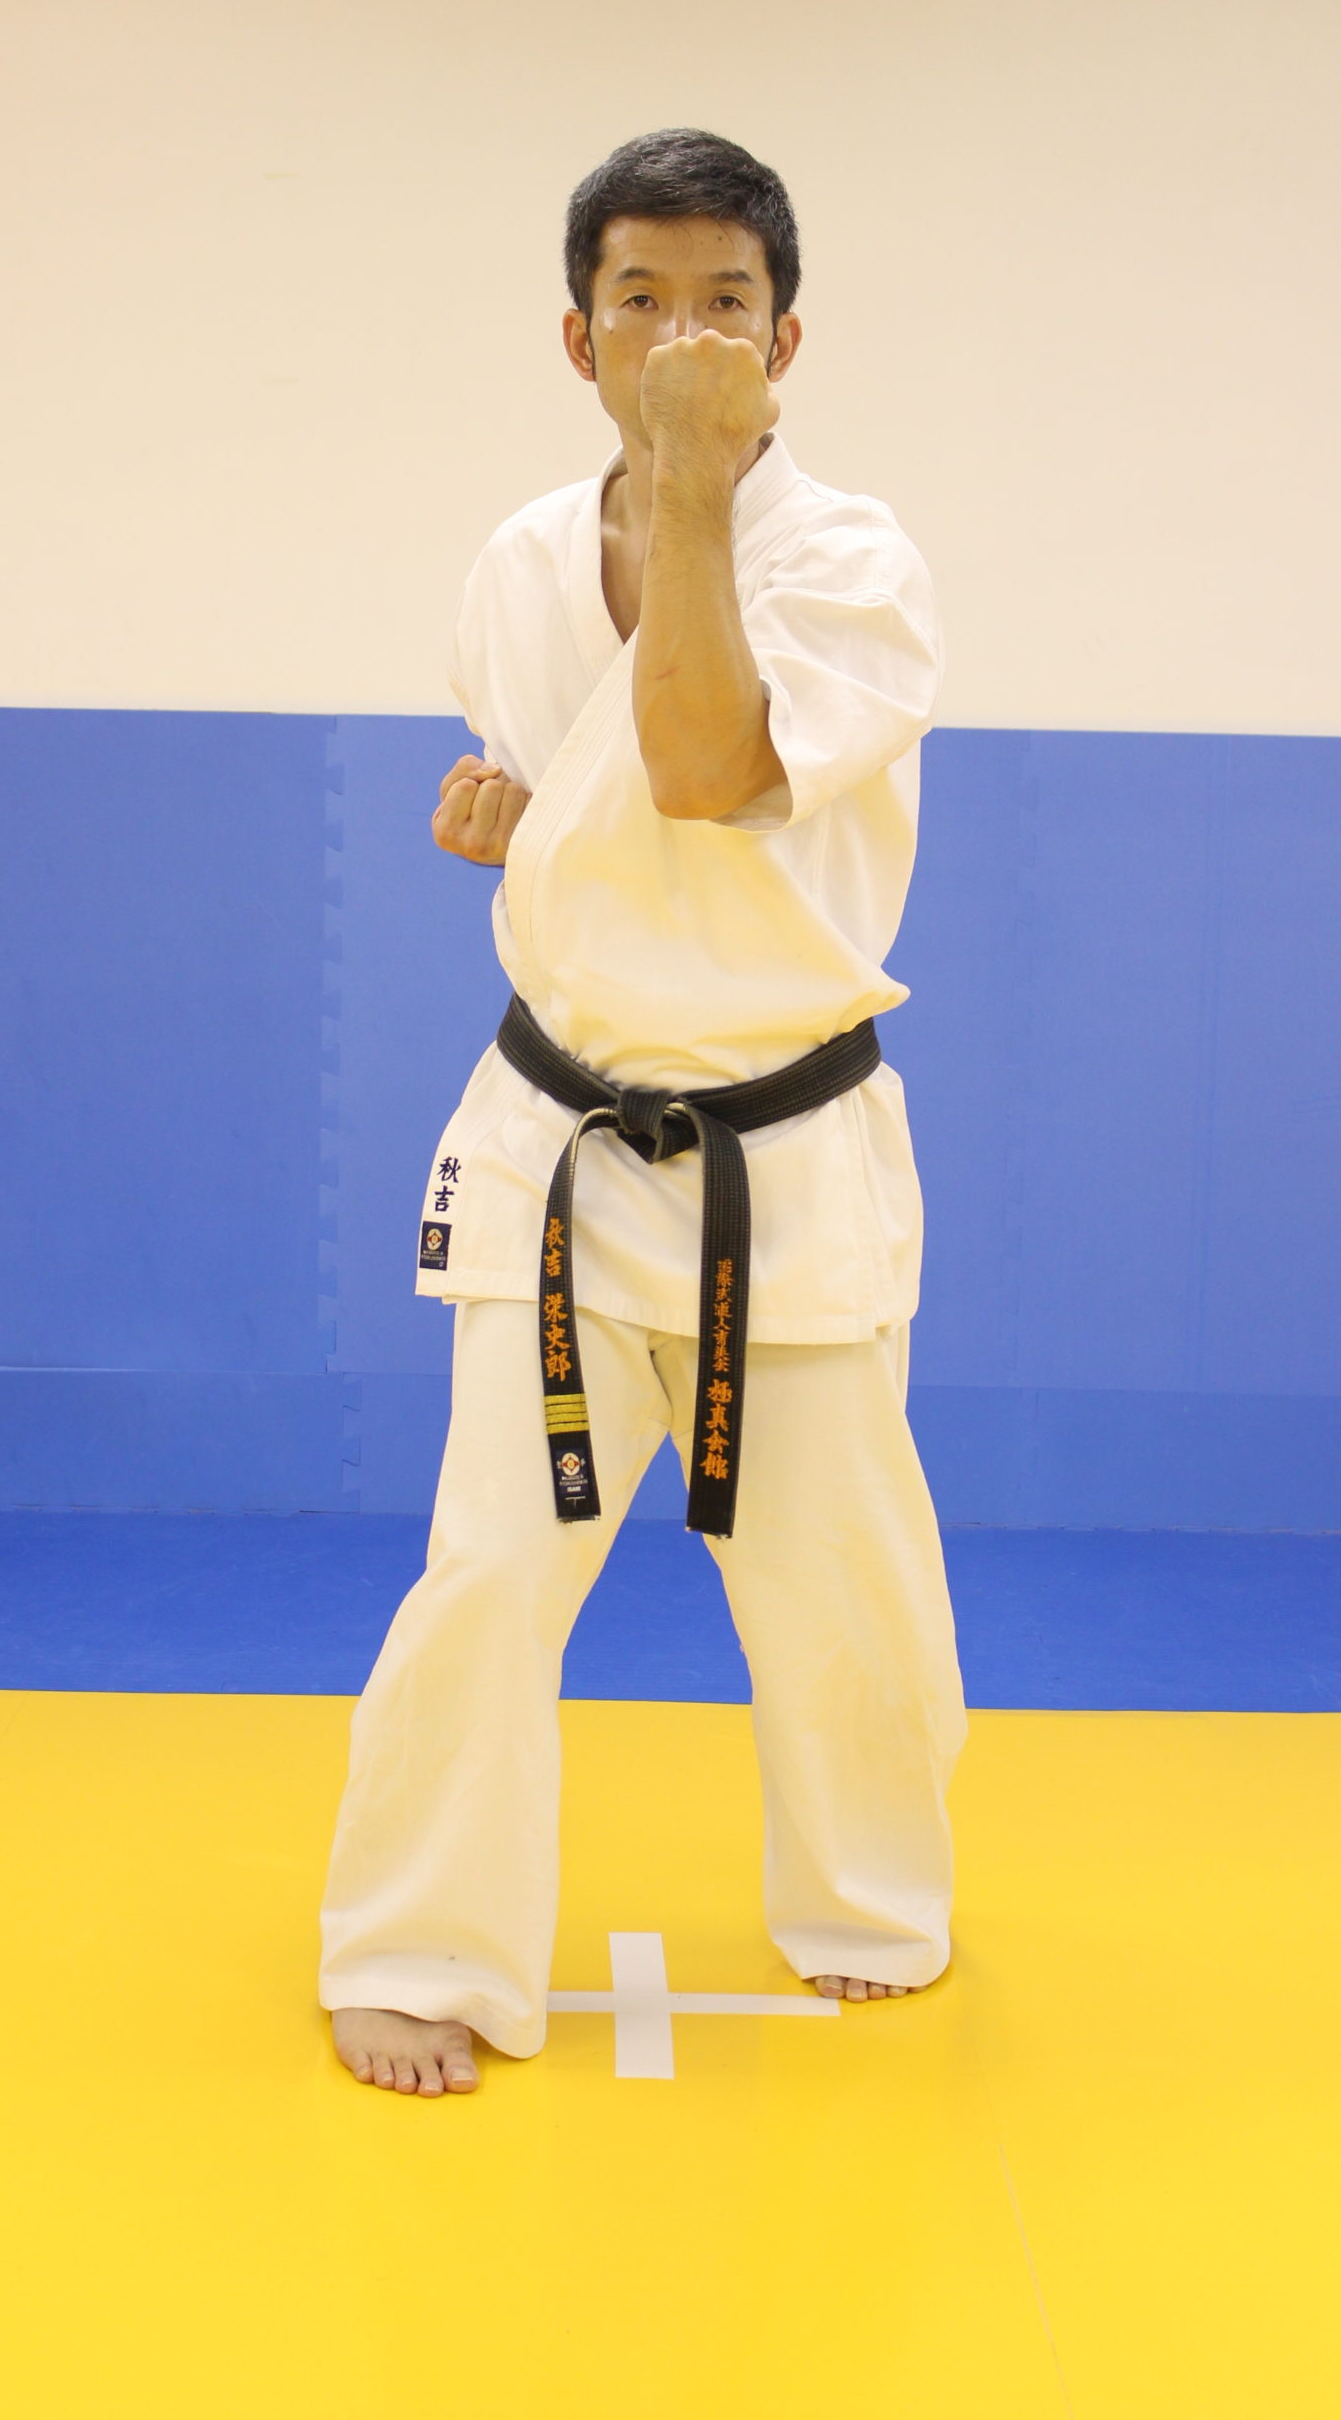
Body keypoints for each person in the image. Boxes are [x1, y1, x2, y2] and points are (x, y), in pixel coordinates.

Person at [321, 129, 967, 2098]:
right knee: (490, 1566)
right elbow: (598, 793)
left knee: (838, 1581)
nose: (681, 338)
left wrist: (693, 478)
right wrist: (521, 832)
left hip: (782, 1153)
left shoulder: (849, 563)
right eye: (640, 301)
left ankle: (868, 1899)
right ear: (576, 335)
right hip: (559, 1144)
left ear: (787, 344)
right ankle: (419, 1945)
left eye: (722, 306)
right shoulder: (521, 561)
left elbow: (701, 769)